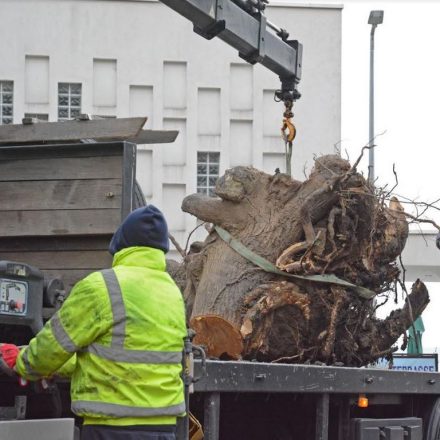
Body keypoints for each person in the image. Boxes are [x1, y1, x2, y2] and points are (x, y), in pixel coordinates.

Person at [0, 205, 187, 440]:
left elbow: (54, 345)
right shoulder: (172, 292)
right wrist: (54, 368)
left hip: (113, 428)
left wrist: (22, 362)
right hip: (164, 428)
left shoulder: (101, 287)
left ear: (120, 244)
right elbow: (110, 356)